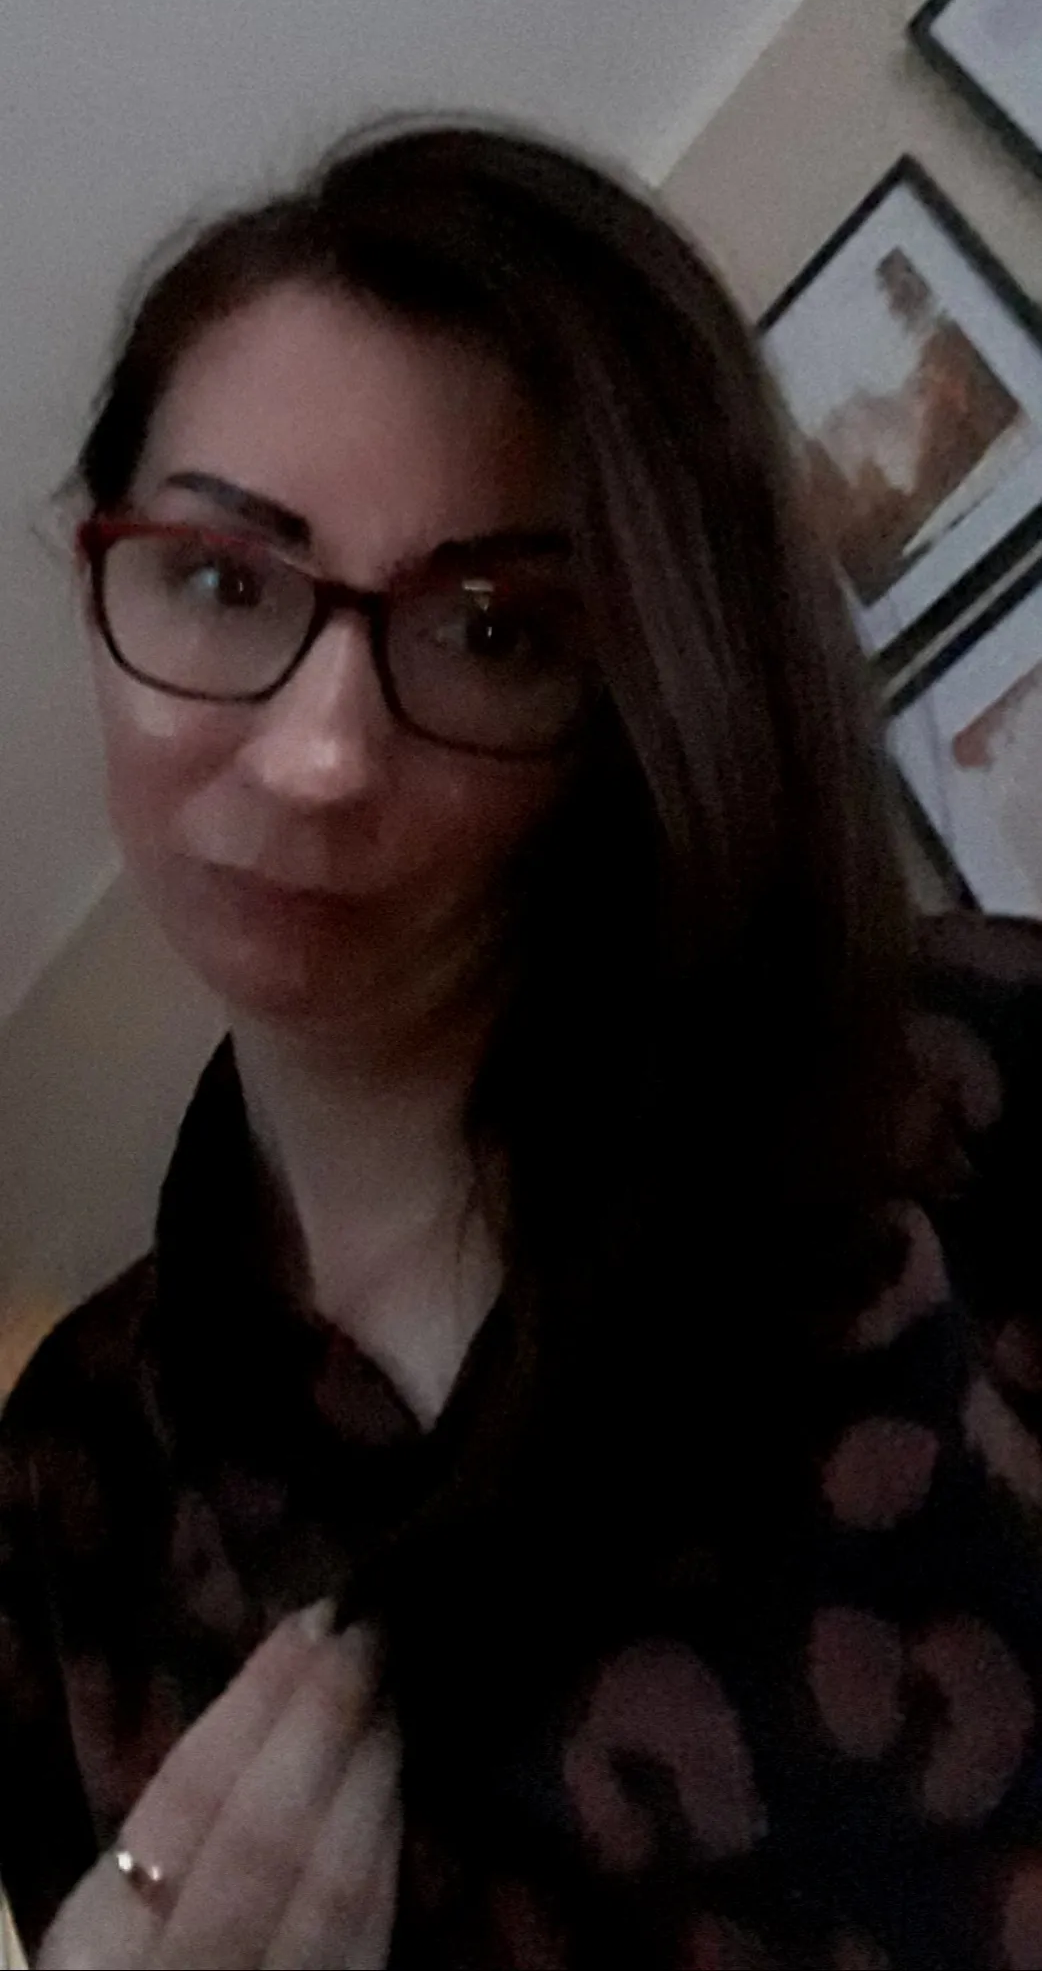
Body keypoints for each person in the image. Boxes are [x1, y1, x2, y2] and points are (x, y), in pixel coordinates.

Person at [4, 118, 1042, 1971]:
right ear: (97, 581)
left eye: (490, 631)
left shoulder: (981, 1090)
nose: (318, 756)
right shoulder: (63, 1501)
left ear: (632, 688)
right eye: (224, 582)